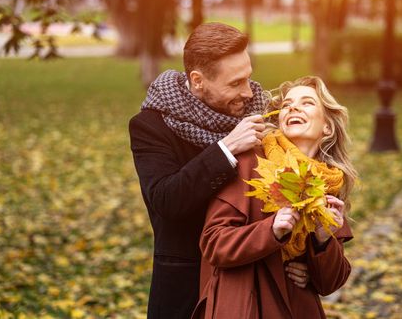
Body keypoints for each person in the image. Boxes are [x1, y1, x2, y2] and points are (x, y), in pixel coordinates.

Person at [129, 22, 309, 318]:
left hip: (258, 281)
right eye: (235, 83)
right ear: (198, 81)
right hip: (187, 290)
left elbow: (295, 193)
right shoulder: (152, 126)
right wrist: (225, 149)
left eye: (248, 78)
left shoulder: (262, 117)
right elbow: (166, 201)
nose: (249, 93)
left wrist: (304, 262)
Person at [193, 75, 357, 319]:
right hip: (246, 304)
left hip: (297, 308)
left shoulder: (327, 184)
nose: (293, 108)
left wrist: (323, 241)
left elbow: (330, 283)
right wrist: (272, 230)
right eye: (287, 104)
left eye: (307, 103)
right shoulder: (250, 163)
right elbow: (214, 243)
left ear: (327, 126)